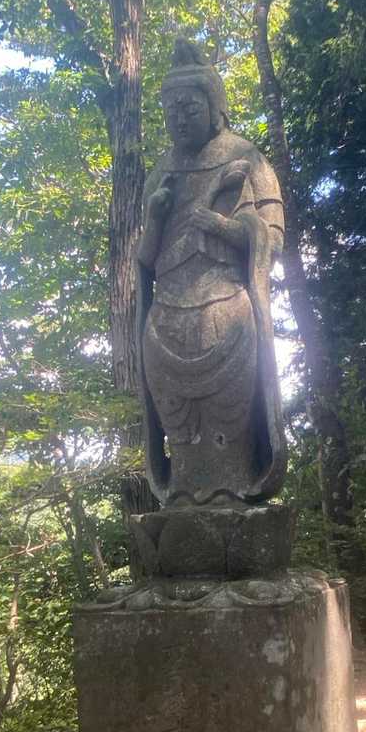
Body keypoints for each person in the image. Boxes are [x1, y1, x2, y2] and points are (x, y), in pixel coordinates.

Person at [137, 40, 286, 506]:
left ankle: (235, 489)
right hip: (166, 317)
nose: (179, 118)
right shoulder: (160, 174)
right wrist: (156, 217)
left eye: (189, 107)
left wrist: (224, 227)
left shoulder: (248, 159)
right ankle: (182, 493)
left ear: (214, 107)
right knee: (180, 425)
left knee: (230, 417)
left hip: (227, 308)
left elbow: (272, 239)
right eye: (171, 110)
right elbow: (145, 259)